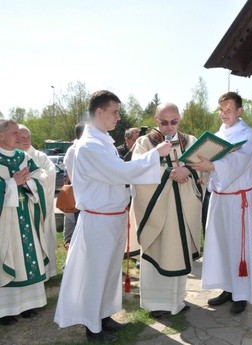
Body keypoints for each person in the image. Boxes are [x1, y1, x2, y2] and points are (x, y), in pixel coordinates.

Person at [54, 90, 172, 343]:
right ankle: (92, 326)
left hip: (112, 216)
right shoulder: (89, 146)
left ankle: (104, 316)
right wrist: (156, 153)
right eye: (114, 112)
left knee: (109, 272)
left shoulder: (102, 140)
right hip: (98, 218)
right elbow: (119, 172)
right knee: (96, 273)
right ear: (99, 112)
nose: (118, 117)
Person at [128, 103, 206, 318]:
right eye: (164, 122)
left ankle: (177, 300)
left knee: (178, 253)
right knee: (158, 251)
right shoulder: (145, 142)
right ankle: (155, 303)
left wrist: (188, 170)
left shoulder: (190, 141)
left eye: (174, 121)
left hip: (183, 208)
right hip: (157, 210)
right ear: (156, 120)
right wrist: (171, 173)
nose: (169, 126)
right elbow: (138, 170)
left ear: (179, 118)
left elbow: (203, 169)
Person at [189, 92, 252, 314]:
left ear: (240, 111)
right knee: (220, 244)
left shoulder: (249, 135)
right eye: (221, 109)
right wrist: (204, 170)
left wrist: (212, 166)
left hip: (238, 199)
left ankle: (241, 294)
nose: (223, 114)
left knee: (238, 246)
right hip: (219, 196)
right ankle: (228, 289)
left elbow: (239, 161)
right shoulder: (218, 135)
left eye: (228, 109)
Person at [0, 119, 48, 326]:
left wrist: (28, 181)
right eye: (14, 134)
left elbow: (40, 176)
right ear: (1, 135)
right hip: (5, 221)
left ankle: (28, 305)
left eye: (20, 133)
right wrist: (12, 183)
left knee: (27, 259)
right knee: (9, 256)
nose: (19, 137)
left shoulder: (22, 157)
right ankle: (6, 310)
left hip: (25, 217)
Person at [17, 124, 58, 279]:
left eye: (28, 137)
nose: (26, 141)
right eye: (21, 138)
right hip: (20, 206)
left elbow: (50, 173)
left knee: (43, 235)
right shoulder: (12, 156)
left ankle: (46, 272)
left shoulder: (40, 157)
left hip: (39, 207)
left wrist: (31, 180)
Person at [62, 122, 85, 251]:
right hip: (79, 198)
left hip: (84, 198)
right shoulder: (73, 151)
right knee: (79, 233)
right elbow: (74, 176)